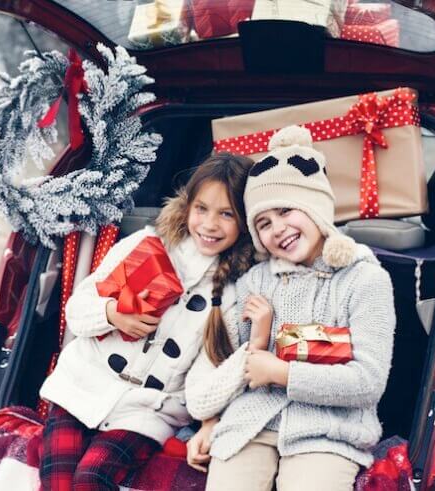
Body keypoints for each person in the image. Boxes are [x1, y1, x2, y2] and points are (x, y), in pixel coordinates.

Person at [185, 125, 396, 491]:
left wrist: (282, 373)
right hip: (250, 424)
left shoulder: (364, 279)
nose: (278, 229)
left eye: (286, 211)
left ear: (315, 207)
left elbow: (367, 383)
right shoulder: (254, 282)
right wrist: (209, 421)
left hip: (328, 432)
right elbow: (218, 365)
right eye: (263, 223)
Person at [38, 153, 266, 490]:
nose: (209, 224)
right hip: (82, 384)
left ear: (245, 221)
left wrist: (209, 420)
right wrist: (112, 314)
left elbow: (208, 370)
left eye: (226, 214)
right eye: (202, 209)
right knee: (56, 483)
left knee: (91, 478)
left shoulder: (234, 292)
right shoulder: (146, 244)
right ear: (187, 206)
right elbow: (77, 310)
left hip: (149, 410)